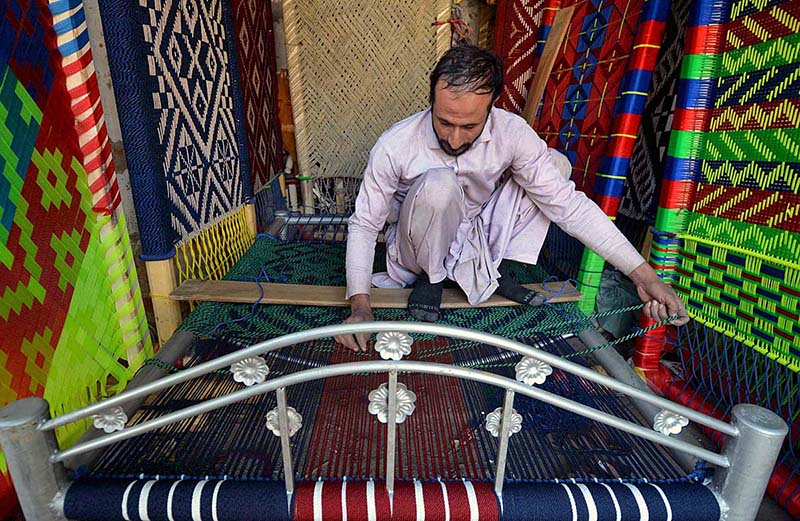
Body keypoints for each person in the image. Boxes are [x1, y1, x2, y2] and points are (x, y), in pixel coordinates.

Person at [335, 44, 688, 351]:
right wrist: (360, 305)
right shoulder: (396, 144)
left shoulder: (512, 133)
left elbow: (570, 208)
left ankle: (493, 270)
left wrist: (645, 276)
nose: (455, 140)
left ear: (492, 108)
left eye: (469, 127)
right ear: (430, 103)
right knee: (439, 184)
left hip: (479, 233)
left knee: (554, 165)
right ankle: (434, 278)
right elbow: (365, 224)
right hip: (418, 247)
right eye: (444, 123)